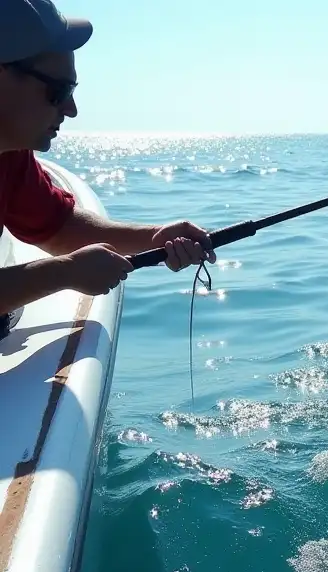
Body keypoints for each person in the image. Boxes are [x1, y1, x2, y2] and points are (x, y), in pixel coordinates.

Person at [0, 0, 215, 331]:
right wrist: (62, 273)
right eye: (58, 91)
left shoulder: (9, 155)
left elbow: (58, 226)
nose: (71, 110)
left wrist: (155, 238)